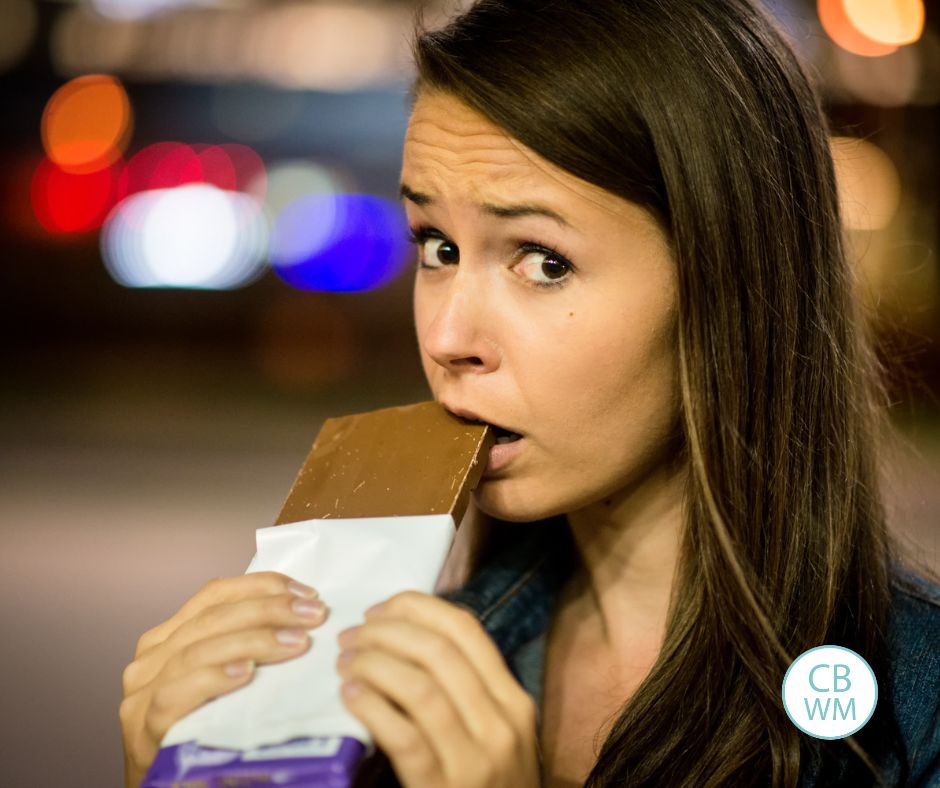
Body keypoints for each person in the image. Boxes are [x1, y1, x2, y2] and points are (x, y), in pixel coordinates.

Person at [120, 1, 940, 786]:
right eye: (437, 246)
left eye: (543, 262)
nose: (447, 339)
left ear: (732, 282)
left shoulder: (915, 708)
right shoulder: (391, 672)